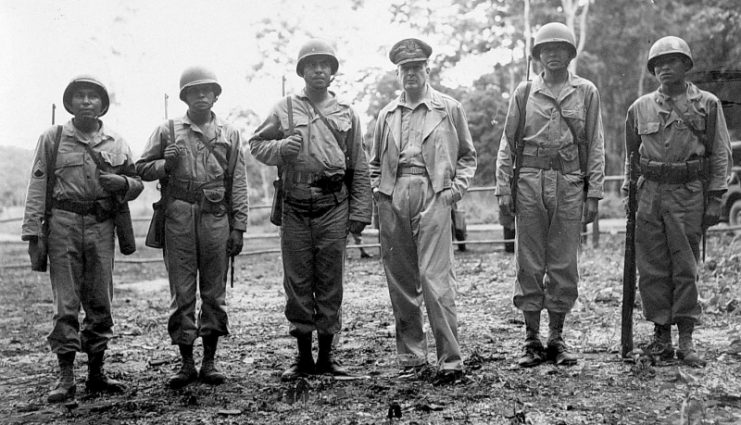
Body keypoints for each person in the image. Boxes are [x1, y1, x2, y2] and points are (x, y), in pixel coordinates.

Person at [249, 39, 372, 380]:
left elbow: (358, 166)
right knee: (298, 282)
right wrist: (281, 148)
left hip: (334, 204)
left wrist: (360, 211)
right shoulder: (284, 108)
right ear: (302, 71)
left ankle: (328, 358)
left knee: (331, 281)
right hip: (295, 206)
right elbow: (256, 145)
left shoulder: (347, 113)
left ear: (333, 71)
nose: (319, 70)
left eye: (325, 65)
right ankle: (303, 358)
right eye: (312, 65)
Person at [22, 75, 144, 403]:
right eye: (80, 96)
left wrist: (122, 182)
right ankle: (65, 376)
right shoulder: (54, 137)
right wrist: (33, 232)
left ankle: (96, 372)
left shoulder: (116, 142)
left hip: (101, 225)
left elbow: (136, 182)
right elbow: (37, 184)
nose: (87, 101)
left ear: (103, 104)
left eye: (93, 96)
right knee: (66, 302)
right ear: (71, 102)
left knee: (100, 300)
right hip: (62, 224)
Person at [495, 22, 605, 368]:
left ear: (570, 54)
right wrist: (503, 189)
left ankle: (556, 338)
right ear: (537, 56)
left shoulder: (586, 91)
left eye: (560, 49)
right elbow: (507, 144)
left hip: (570, 182)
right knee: (528, 261)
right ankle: (530, 339)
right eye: (546, 50)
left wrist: (594, 193)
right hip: (528, 181)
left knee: (562, 262)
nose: (553, 55)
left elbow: (595, 144)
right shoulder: (524, 93)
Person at [370, 38, 477, 385]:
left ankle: (450, 359)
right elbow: (373, 163)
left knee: (436, 280)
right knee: (401, 281)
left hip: (434, 194)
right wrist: (379, 192)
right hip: (395, 194)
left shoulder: (449, 108)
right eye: (405, 69)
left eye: (417, 67)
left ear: (428, 69)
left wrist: (453, 191)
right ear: (398, 73)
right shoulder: (387, 115)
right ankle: (412, 359)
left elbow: (468, 156)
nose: (411, 74)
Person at [136, 66, 249, 388]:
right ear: (184, 96)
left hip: (216, 217)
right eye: (194, 91)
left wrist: (238, 226)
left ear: (216, 95)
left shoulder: (230, 133)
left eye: (207, 91)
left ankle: (210, 362)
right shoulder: (167, 130)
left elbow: (237, 182)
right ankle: (186, 363)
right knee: (182, 293)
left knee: (214, 293)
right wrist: (165, 164)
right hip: (178, 217)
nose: (201, 96)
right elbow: (141, 169)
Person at [623, 36, 731, 367]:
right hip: (651, 193)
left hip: (688, 193)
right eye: (658, 63)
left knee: (685, 266)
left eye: (672, 61)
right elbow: (631, 157)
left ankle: (686, 338)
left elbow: (720, 154)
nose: (664, 68)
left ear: (686, 65)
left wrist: (715, 199)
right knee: (653, 267)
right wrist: (631, 195)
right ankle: (660, 337)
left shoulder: (707, 104)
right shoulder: (639, 107)